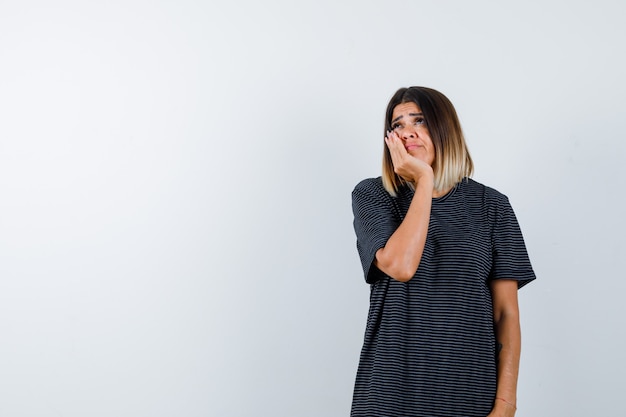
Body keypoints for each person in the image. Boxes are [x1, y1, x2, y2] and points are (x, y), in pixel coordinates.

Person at [350, 86, 536, 417]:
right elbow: (401, 266)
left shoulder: (491, 206)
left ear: (444, 127)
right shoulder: (374, 195)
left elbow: (506, 313)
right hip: (390, 395)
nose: (406, 132)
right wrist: (424, 182)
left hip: (469, 396)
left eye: (418, 121)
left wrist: (506, 404)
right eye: (397, 125)